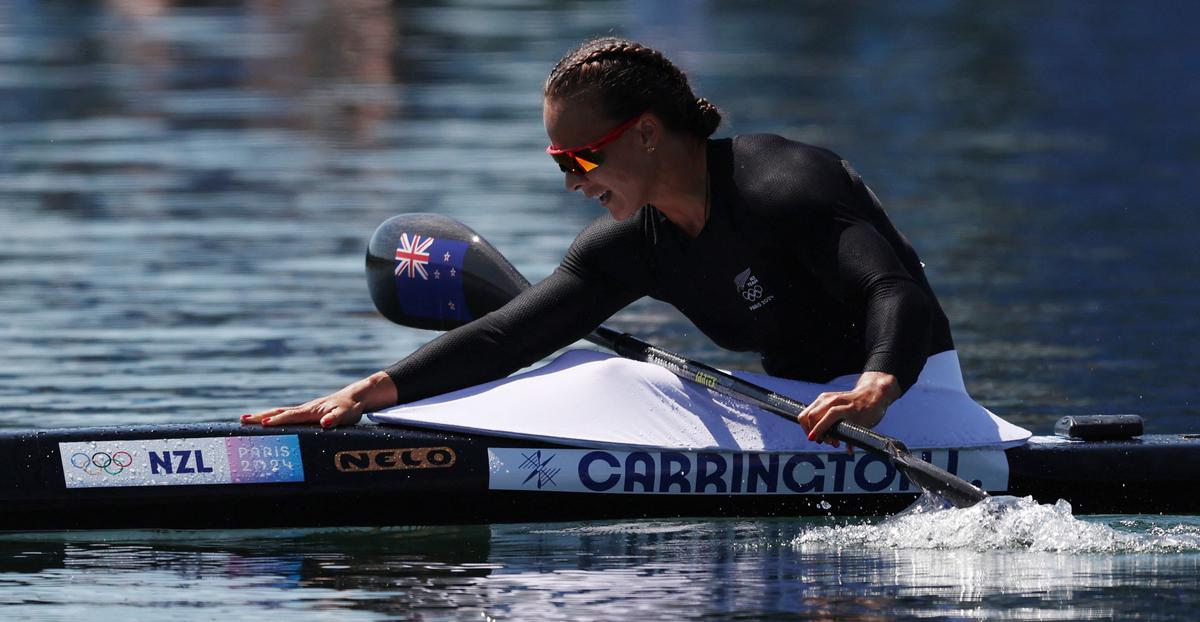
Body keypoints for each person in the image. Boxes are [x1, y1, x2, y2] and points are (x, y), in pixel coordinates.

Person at [242, 37, 954, 446]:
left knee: (620, 379)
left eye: (580, 159)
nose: (571, 182)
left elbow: (893, 290)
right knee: (580, 371)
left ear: (645, 132)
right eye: (558, 164)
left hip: (910, 406)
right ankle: (403, 450)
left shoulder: (782, 179)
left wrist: (876, 386)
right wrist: (363, 396)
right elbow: (505, 341)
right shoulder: (631, 246)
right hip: (798, 414)